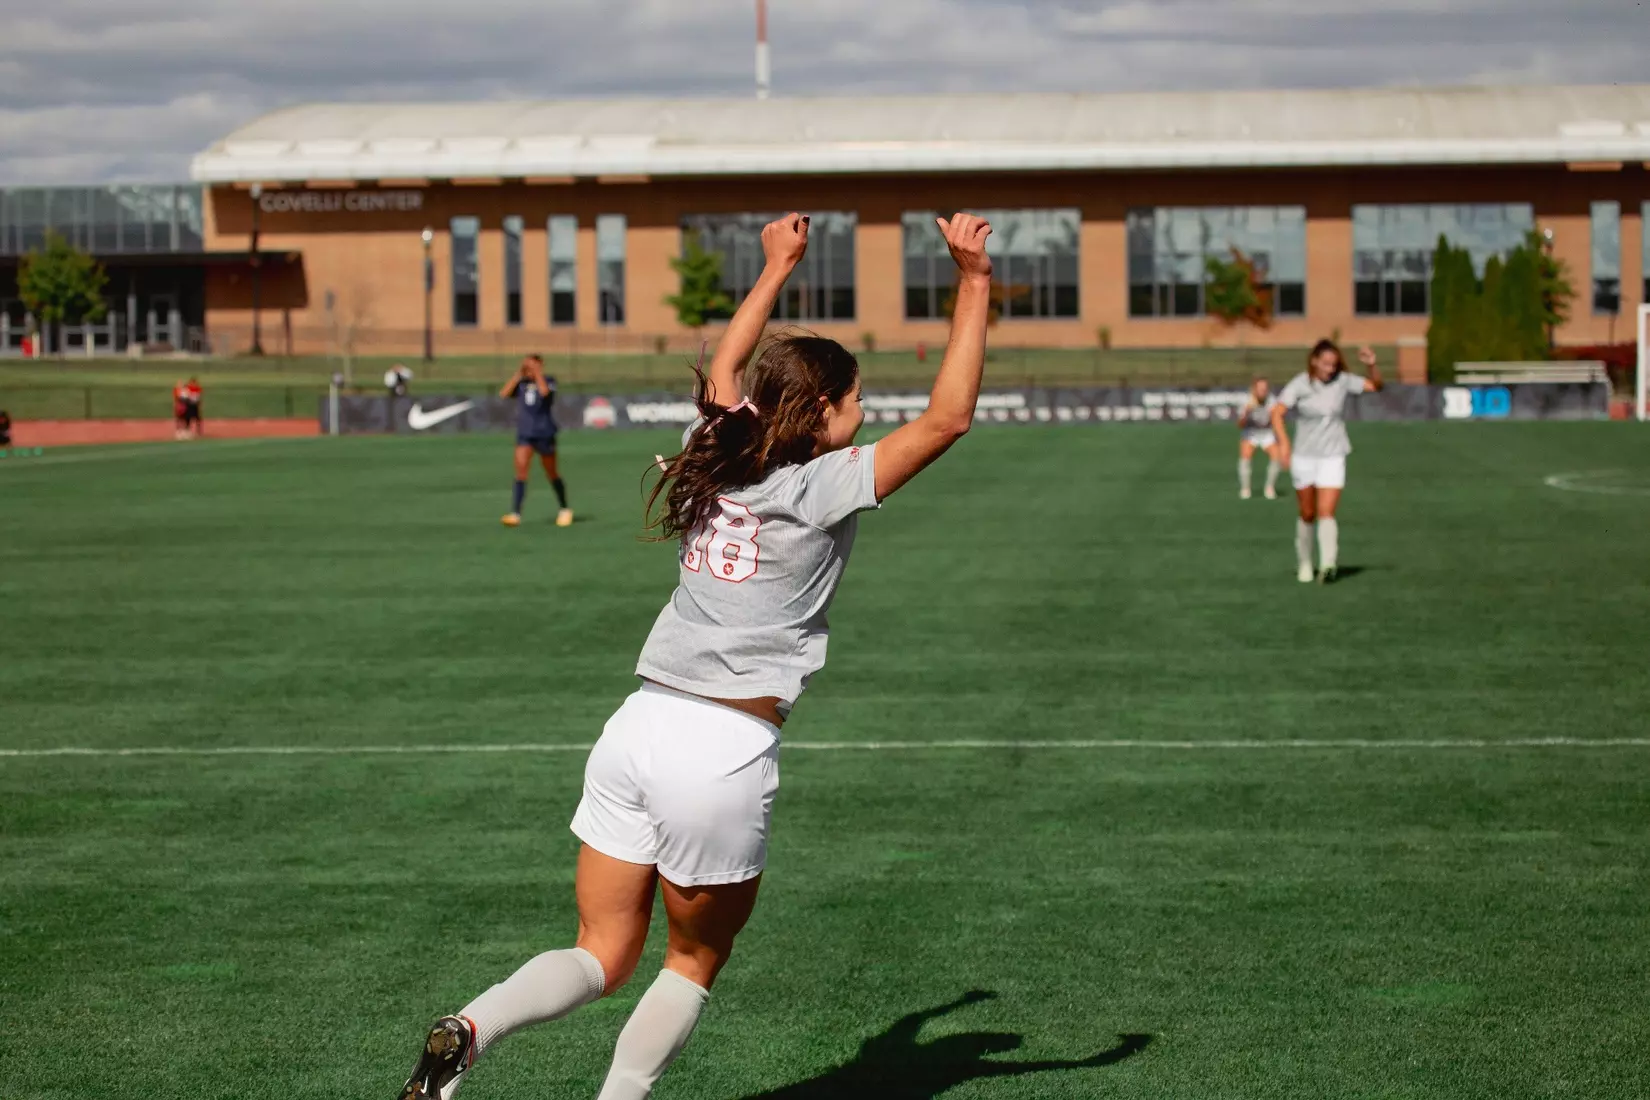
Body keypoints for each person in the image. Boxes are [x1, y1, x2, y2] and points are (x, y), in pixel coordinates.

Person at [395, 210, 994, 1100]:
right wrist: (974, 281)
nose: (866, 413)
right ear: (821, 410)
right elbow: (949, 419)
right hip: (721, 750)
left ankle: (471, 1027)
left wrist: (776, 266)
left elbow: (723, 370)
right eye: (857, 398)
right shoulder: (820, 483)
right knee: (692, 958)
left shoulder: (717, 449)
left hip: (636, 727)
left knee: (599, 951)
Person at [1271, 340, 1383, 584]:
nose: (1330, 369)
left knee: (1326, 512)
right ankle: (1305, 563)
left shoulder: (1342, 380)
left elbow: (1375, 385)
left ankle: (1328, 564)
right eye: (1325, 364)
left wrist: (1372, 365)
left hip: (1333, 454)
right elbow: (1277, 413)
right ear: (1314, 361)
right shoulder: (1300, 383)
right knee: (1307, 512)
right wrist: (1284, 444)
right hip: (1304, 455)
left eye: (1333, 364)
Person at [499, 354, 571, 528]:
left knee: (551, 472)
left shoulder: (549, 380)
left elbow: (545, 393)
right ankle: (515, 514)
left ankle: (564, 508)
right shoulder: (521, 384)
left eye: (534, 365)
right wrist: (518, 374)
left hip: (544, 432)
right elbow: (504, 393)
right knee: (521, 472)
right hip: (525, 433)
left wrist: (537, 373)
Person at [1235, 377, 1283, 500]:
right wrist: (1247, 412)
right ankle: (1245, 489)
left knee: (1276, 457)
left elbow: (1275, 420)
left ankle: (1269, 488)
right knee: (1245, 457)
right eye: (1260, 389)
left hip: (1267, 433)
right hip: (1250, 433)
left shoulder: (1271, 400)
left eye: (1265, 389)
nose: (1263, 391)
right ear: (1254, 389)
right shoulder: (1246, 400)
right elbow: (1239, 425)